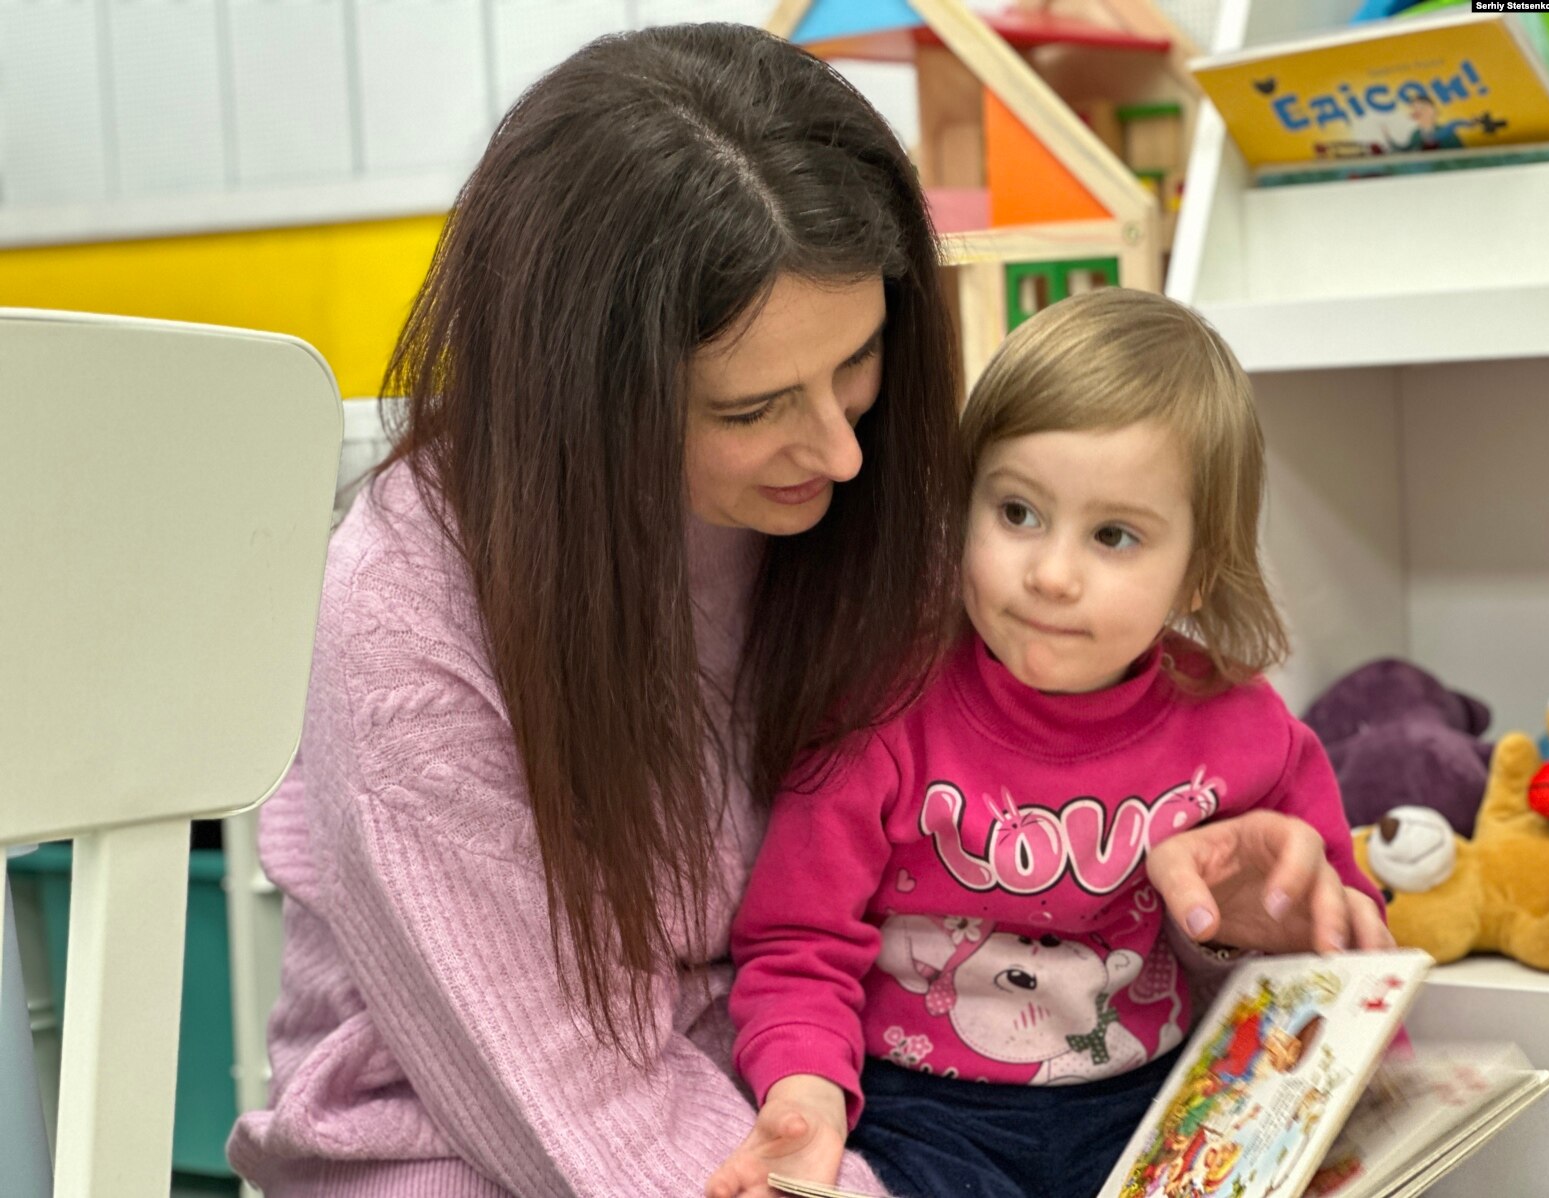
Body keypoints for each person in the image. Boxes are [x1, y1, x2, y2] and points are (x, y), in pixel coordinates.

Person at [228, 24, 1391, 1198]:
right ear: (584, 398)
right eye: (752, 408)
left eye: (859, 362)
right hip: (490, 1144)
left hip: (814, 1102)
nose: (838, 449)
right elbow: (569, 1102)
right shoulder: (402, 624)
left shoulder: (850, 512)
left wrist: (1230, 923)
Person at [708, 290, 1391, 1198]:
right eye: (1017, 513)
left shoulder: (1246, 731)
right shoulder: (882, 705)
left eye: (1113, 535)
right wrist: (805, 1094)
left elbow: (1342, 937)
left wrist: (1355, 1109)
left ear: (1196, 570)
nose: (1051, 575)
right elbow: (797, 942)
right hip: (924, 1118)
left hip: (1153, 1110)